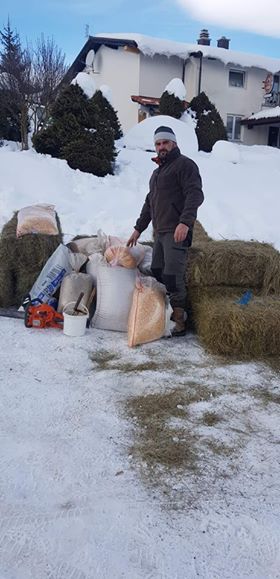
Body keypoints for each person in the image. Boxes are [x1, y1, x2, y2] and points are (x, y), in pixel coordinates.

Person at [127, 125, 204, 337]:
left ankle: (180, 321)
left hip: (176, 231)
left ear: (174, 143)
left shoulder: (185, 165)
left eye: (165, 143)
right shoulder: (157, 172)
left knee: (172, 275)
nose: (161, 147)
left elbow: (195, 194)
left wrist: (185, 222)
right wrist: (138, 229)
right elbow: (149, 203)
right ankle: (160, 315)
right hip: (160, 232)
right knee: (159, 272)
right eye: (158, 144)